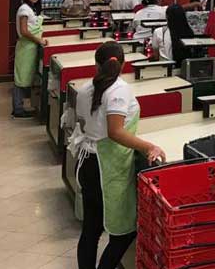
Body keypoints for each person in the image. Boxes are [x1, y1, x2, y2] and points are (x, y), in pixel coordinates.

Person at [63, 42, 165, 269]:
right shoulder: (119, 90)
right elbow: (115, 131)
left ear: (97, 64)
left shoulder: (84, 89)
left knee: (91, 229)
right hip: (107, 168)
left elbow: (84, 124)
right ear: (123, 63)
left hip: (87, 163)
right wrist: (148, 147)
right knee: (125, 231)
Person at [12, 0, 48, 118]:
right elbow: (24, 31)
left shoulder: (31, 8)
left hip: (30, 47)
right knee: (21, 78)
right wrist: (39, 40)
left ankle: (19, 107)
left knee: (25, 77)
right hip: (25, 48)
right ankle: (18, 110)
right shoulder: (24, 9)